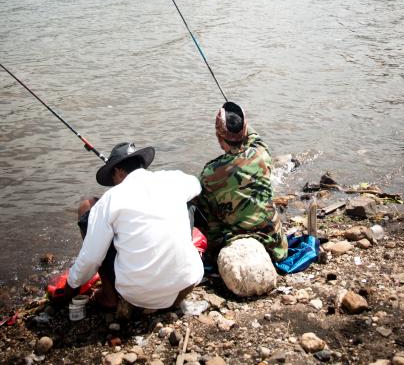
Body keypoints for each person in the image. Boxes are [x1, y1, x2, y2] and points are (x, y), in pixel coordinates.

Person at [59, 142, 204, 310]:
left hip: (138, 295)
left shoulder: (110, 199)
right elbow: (196, 184)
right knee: (189, 206)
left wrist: (68, 291)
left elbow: (90, 259)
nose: (113, 185)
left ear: (118, 172)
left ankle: (109, 295)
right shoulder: (173, 179)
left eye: (112, 179)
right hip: (184, 286)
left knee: (87, 207)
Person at [198, 101, 288, 263]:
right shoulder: (261, 152)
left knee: (200, 206)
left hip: (233, 244)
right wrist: (239, 120)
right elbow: (253, 136)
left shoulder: (210, 173)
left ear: (219, 137)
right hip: (275, 246)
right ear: (244, 129)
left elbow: (206, 214)